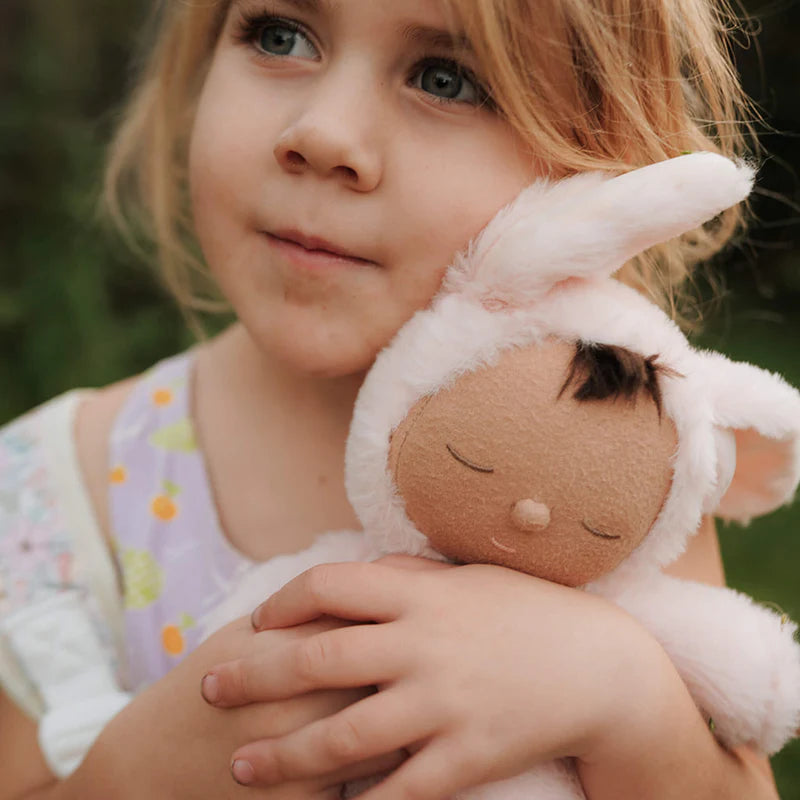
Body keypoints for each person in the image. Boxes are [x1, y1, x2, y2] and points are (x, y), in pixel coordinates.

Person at [0, 0, 783, 797]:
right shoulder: (59, 493)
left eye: (447, 79)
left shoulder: (616, 463)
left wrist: (629, 701)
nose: (323, 133)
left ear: (594, 167)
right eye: (280, 36)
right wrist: (132, 776)